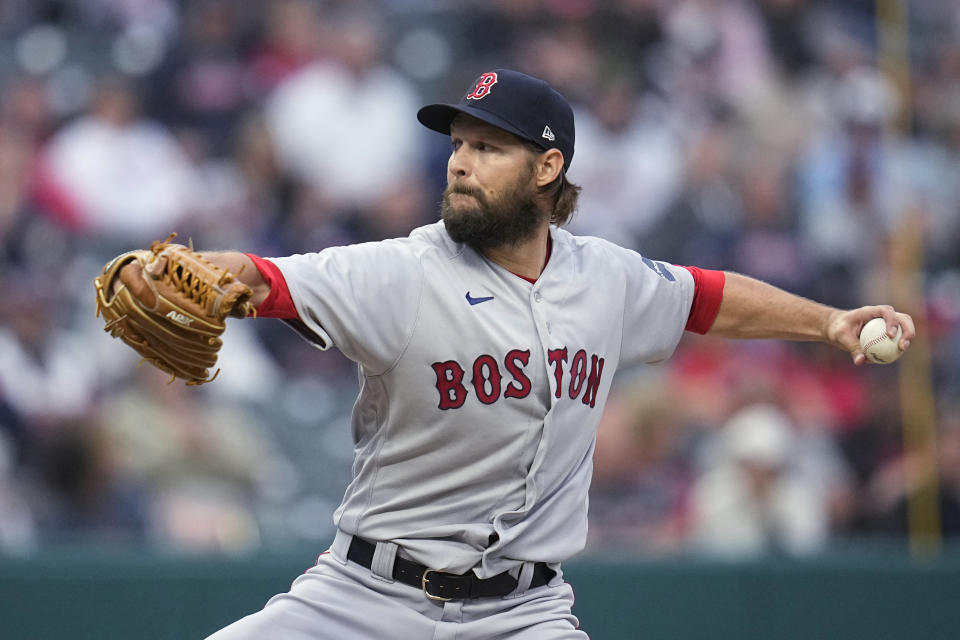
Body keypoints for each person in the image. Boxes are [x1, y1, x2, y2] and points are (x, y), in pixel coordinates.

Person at [193, 69, 913, 639]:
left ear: (547, 168)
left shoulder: (605, 277)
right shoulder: (401, 272)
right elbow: (265, 277)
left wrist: (830, 324)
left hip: (523, 615)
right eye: (457, 145)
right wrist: (167, 271)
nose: (461, 164)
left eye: (487, 147)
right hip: (364, 600)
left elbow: (705, 298)